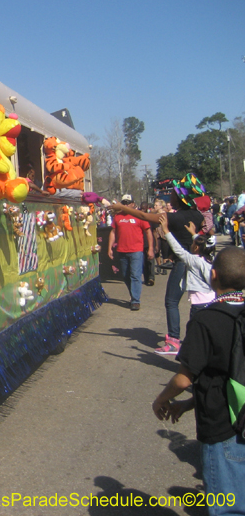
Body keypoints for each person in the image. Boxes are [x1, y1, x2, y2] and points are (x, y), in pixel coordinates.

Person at [152, 246, 245, 513]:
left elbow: (184, 379)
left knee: (228, 506)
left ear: (212, 276)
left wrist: (163, 399)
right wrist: (187, 405)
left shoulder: (206, 320)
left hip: (223, 427)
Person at [110, 174, 205, 353]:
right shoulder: (198, 215)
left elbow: (141, 215)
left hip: (182, 264)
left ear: (180, 198)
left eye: (174, 195)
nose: (171, 197)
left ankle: (174, 341)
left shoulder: (174, 218)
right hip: (197, 264)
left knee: (171, 301)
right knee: (198, 302)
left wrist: (121, 207)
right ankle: (197, 339)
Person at [156, 214, 215, 356]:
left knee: (195, 335)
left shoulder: (193, 261)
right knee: (205, 334)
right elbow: (204, 245)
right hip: (211, 302)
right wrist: (194, 234)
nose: (191, 246)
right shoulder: (209, 258)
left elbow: (178, 250)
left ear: (195, 249)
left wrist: (166, 231)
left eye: (193, 244)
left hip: (199, 306)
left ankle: (192, 361)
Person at [108, 194, 154, 311]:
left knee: (135, 275)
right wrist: (109, 248)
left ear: (133, 204)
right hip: (122, 250)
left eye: (128, 203)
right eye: (124, 203)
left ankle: (135, 300)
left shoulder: (138, 216)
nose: (126, 205)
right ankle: (133, 295)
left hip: (136, 250)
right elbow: (113, 232)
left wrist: (150, 248)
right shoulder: (118, 217)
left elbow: (148, 232)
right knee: (125, 276)